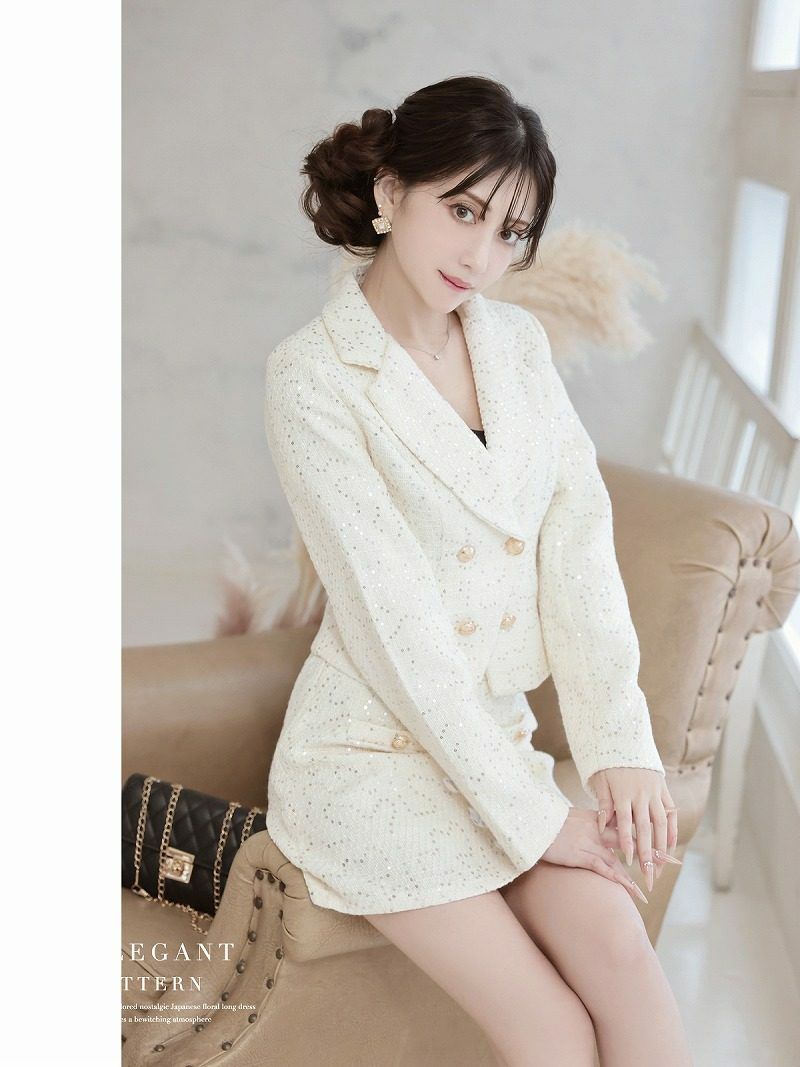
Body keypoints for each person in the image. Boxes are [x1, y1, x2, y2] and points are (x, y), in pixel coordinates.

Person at [263, 74, 693, 1066]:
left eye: (511, 231)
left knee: (624, 961)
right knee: (552, 1032)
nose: (481, 255)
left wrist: (618, 745)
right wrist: (539, 820)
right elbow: (395, 628)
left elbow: (576, 543)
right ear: (390, 191)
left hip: (493, 744)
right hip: (372, 764)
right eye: (462, 211)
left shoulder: (515, 344)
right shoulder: (314, 374)